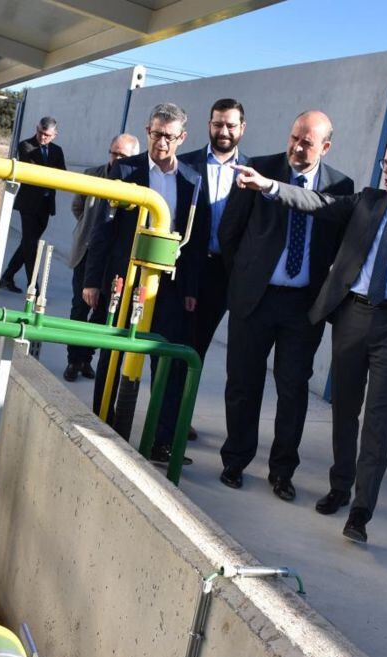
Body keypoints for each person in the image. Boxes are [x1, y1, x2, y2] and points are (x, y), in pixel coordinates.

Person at [234, 130, 387, 543]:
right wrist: (268, 186)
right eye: (385, 161)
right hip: (353, 317)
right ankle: (340, 486)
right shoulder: (368, 201)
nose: (386, 168)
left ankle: (360, 512)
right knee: (344, 410)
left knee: (378, 419)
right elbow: (319, 202)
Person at [217, 110, 353, 500]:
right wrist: (243, 277)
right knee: (243, 382)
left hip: (302, 307)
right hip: (254, 300)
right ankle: (236, 459)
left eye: (307, 142)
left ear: (325, 147)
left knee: (293, 390)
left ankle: (282, 472)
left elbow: (340, 244)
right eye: (294, 137)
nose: (296, 146)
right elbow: (230, 231)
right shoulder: (258, 169)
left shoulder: (341, 184)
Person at [83, 103, 207, 463]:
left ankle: (161, 441)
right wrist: (93, 280)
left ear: (182, 137)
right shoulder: (125, 170)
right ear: (147, 132)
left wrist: (190, 290)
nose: (161, 142)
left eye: (169, 136)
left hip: (168, 287)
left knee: (165, 361)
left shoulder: (191, 180)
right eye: (155, 134)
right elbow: (102, 230)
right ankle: (101, 426)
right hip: (125, 281)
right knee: (113, 352)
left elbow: (196, 240)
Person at [178, 98, 251, 441]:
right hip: (185, 270)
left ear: (242, 128)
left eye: (230, 125)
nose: (224, 131)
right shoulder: (186, 163)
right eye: (218, 124)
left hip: (223, 275)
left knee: (199, 348)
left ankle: (180, 416)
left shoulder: (253, 172)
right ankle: (168, 416)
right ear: (208, 124)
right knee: (174, 342)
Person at [63, 133, 140, 381]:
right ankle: (73, 361)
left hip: (113, 259)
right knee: (80, 307)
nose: (116, 158)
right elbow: (78, 207)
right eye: (113, 152)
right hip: (87, 253)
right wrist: (90, 230)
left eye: (123, 155)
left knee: (103, 312)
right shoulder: (92, 174)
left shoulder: (136, 181)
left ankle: (87, 359)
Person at [1, 117, 67, 292]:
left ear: (54, 135)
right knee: (31, 245)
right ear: (36, 128)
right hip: (28, 204)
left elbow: (62, 174)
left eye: (46, 135)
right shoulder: (26, 146)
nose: (42, 137)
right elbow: (33, 169)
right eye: (40, 132)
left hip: (45, 205)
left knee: (28, 243)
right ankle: (33, 286)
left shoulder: (57, 151)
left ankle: (7, 276)